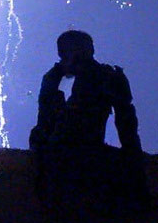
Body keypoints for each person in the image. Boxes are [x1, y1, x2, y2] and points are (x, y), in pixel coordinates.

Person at [29, 30, 148, 213]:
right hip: (60, 150)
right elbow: (44, 122)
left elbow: (127, 126)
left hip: (86, 150)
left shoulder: (108, 77)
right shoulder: (55, 78)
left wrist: (134, 167)